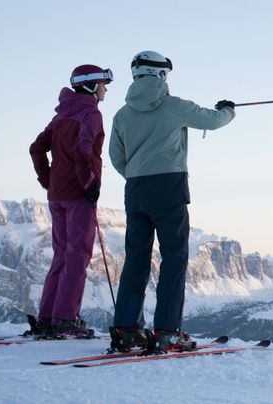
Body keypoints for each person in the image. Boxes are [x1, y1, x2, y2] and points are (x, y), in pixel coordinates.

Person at [107, 51, 236, 353]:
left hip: (136, 189)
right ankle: (167, 332)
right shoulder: (174, 106)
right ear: (160, 75)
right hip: (168, 187)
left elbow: (116, 156)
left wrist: (136, 173)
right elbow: (214, 120)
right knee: (174, 259)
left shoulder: (121, 115)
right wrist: (228, 109)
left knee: (136, 260)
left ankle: (127, 330)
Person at [28, 64, 113, 338]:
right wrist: (89, 184)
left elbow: (36, 148)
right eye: (102, 83)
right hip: (78, 195)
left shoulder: (61, 115)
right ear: (90, 86)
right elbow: (83, 149)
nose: (105, 89)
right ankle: (65, 319)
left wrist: (47, 179)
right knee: (77, 256)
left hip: (57, 194)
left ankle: (48, 317)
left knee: (62, 254)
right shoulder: (91, 114)